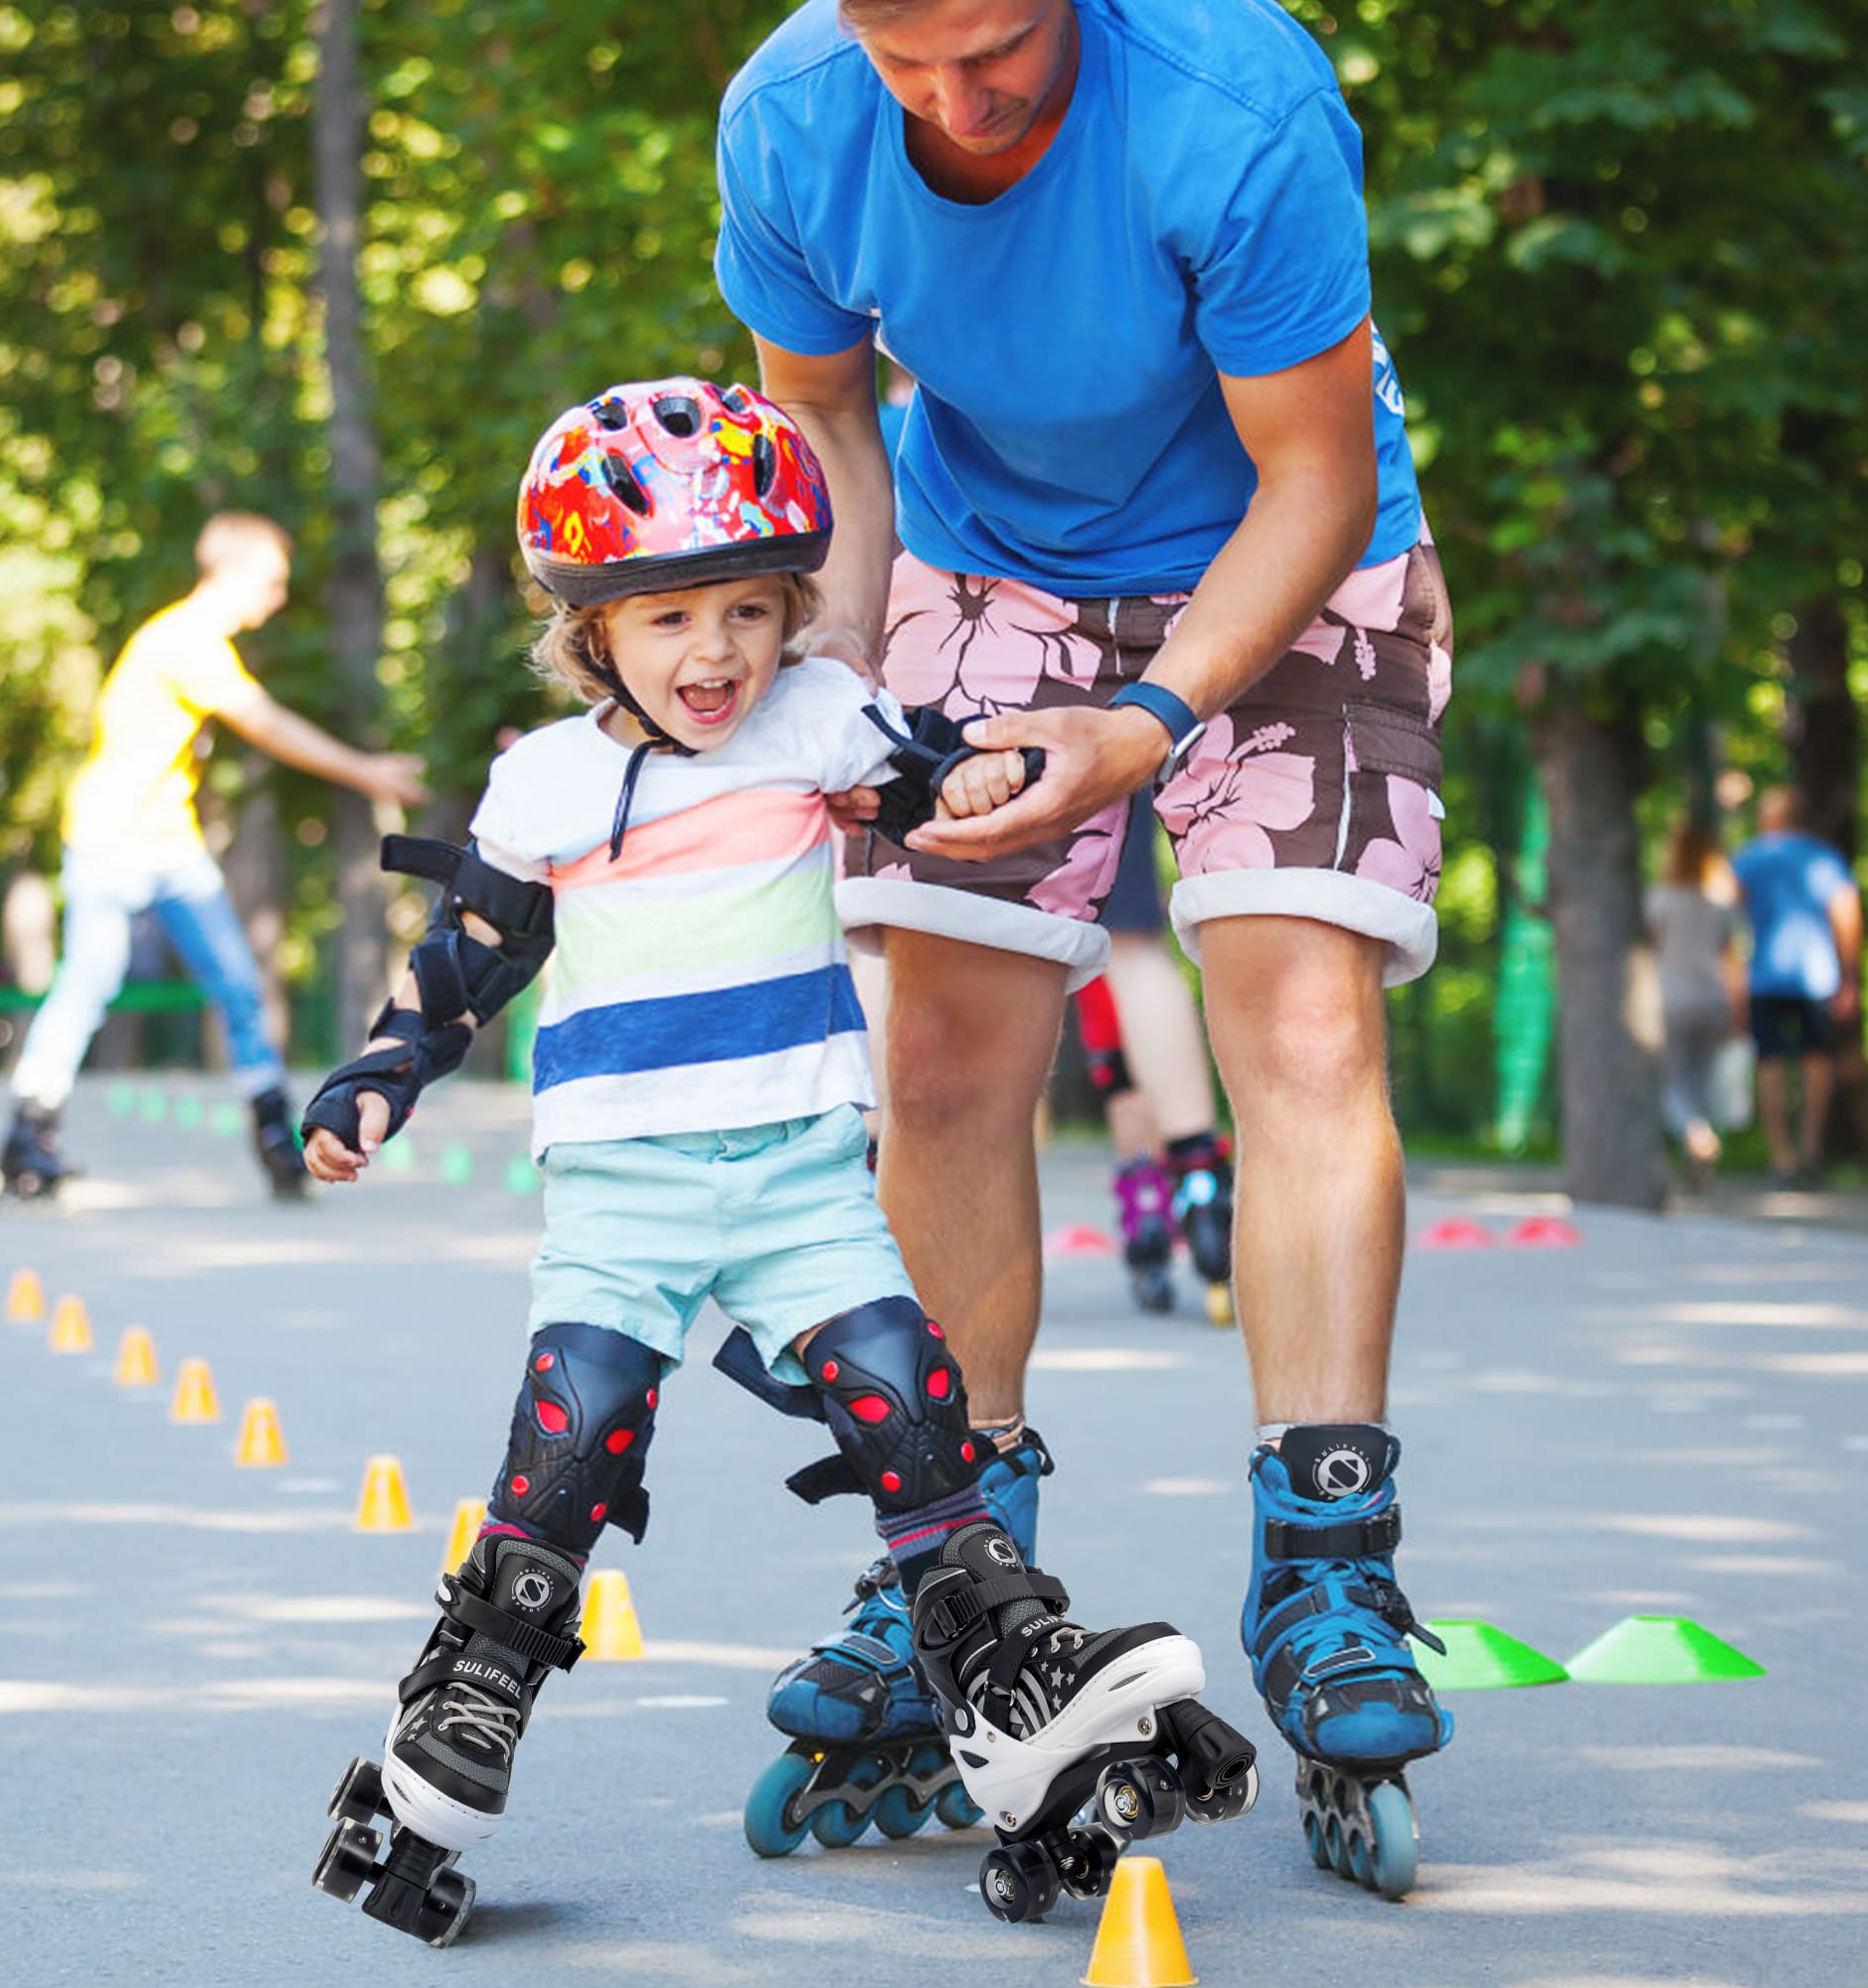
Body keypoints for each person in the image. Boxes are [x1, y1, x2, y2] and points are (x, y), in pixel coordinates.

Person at [300, 380, 1257, 1946]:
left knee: (908, 1389)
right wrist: (379, 1077)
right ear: (593, 629)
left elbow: (915, 774)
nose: (717, 651)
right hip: (624, 1183)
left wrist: (963, 780)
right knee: (576, 1433)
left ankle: (1000, 1674)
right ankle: (466, 1700)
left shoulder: (815, 719)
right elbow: (468, 955)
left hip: (803, 1170)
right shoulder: (547, 782)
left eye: (750, 609)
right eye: (671, 616)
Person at [715, 0, 1453, 1891]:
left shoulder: (1231, 101)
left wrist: (1151, 721)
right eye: (909, 68)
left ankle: (1328, 1567)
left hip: (1290, 545)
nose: (956, 106)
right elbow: (828, 420)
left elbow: (1314, 475)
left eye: (997, 53)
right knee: (945, 1053)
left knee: (1302, 1027)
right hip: (991, 567)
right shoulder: (791, 121)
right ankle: (953, 1563)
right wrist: (840, 683)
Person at [0, 513, 428, 1201]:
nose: (278, 597)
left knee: (238, 986)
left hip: (171, 844)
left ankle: (275, 1139)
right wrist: (366, 771)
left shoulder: (194, 640)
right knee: (88, 983)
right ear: (236, 571)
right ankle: (29, 1134)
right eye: (272, 582)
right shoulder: (183, 641)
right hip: (111, 838)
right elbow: (265, 724)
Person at [1074, 789, 1235, 1318]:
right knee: (1131, 949)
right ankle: (1200, 1182)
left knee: (913, 934)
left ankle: (872, 1172)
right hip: (1101, 742)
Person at [1733, 786, 1863, 1185]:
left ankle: (1781, 1159)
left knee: (1770, 1064)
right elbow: (1846, 915)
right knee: (1816, 1062)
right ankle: (1810, 1150)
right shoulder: (1822, 858)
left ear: (1769, 818)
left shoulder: (1749, 857)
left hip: (1763, 976)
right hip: (1816, 975)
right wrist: (1849, 977)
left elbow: (1726, 918)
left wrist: (1733, 979)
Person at [1644, 821, 1744, 1189]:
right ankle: (1699, 1157)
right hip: (1713, 1001)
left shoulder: (1660, 900)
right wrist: (1739, 1007)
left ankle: (1695, 1135)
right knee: (1701, 1082)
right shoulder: (1720, 905)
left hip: (1673, 999)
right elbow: (1731, 961)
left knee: (1673, 1082)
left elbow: (1651, 950)